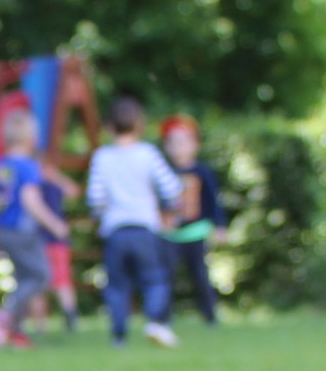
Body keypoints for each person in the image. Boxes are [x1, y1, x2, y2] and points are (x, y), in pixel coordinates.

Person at [86, 95, 184, 347]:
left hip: (115, 231)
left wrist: (98, 217)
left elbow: (95, 198)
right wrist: (171, 211)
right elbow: (172, 189)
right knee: (154, 279)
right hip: (144, 229)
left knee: (117, 285)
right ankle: (155, 321)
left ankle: (119, 335)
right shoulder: (147, 154)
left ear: (109, 126)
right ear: (140, 124)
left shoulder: (102, 157)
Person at [0, 109, 69, 348]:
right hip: (23, 232)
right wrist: (55, 224)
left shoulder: (1, 167)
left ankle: (15, 332)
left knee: (23, 278)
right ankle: (5, 317)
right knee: (41, 276)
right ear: (31, 138)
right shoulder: (29, 167)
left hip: (3, 231)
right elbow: (31, 201)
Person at [159, 114, 228, 328]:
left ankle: (210, 316)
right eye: (173, 143)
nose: (178, 147)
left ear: (194, 145)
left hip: (196, 232)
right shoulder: (163, 172)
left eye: (183, 142)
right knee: (166, 277)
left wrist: (220, 226)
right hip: (170, 233)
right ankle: (163, 318)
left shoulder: (202, 172)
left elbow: (213, 201)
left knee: (200, 275)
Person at [35, 166, 81, 332]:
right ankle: (44, 324)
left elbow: (74, 192)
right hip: (46, 239)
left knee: (48, 282)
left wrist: (56, 177)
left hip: (48, 240)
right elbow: (73, 191)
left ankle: (46, 324)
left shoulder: (39, 186)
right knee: (51, 282)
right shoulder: (36, 185)